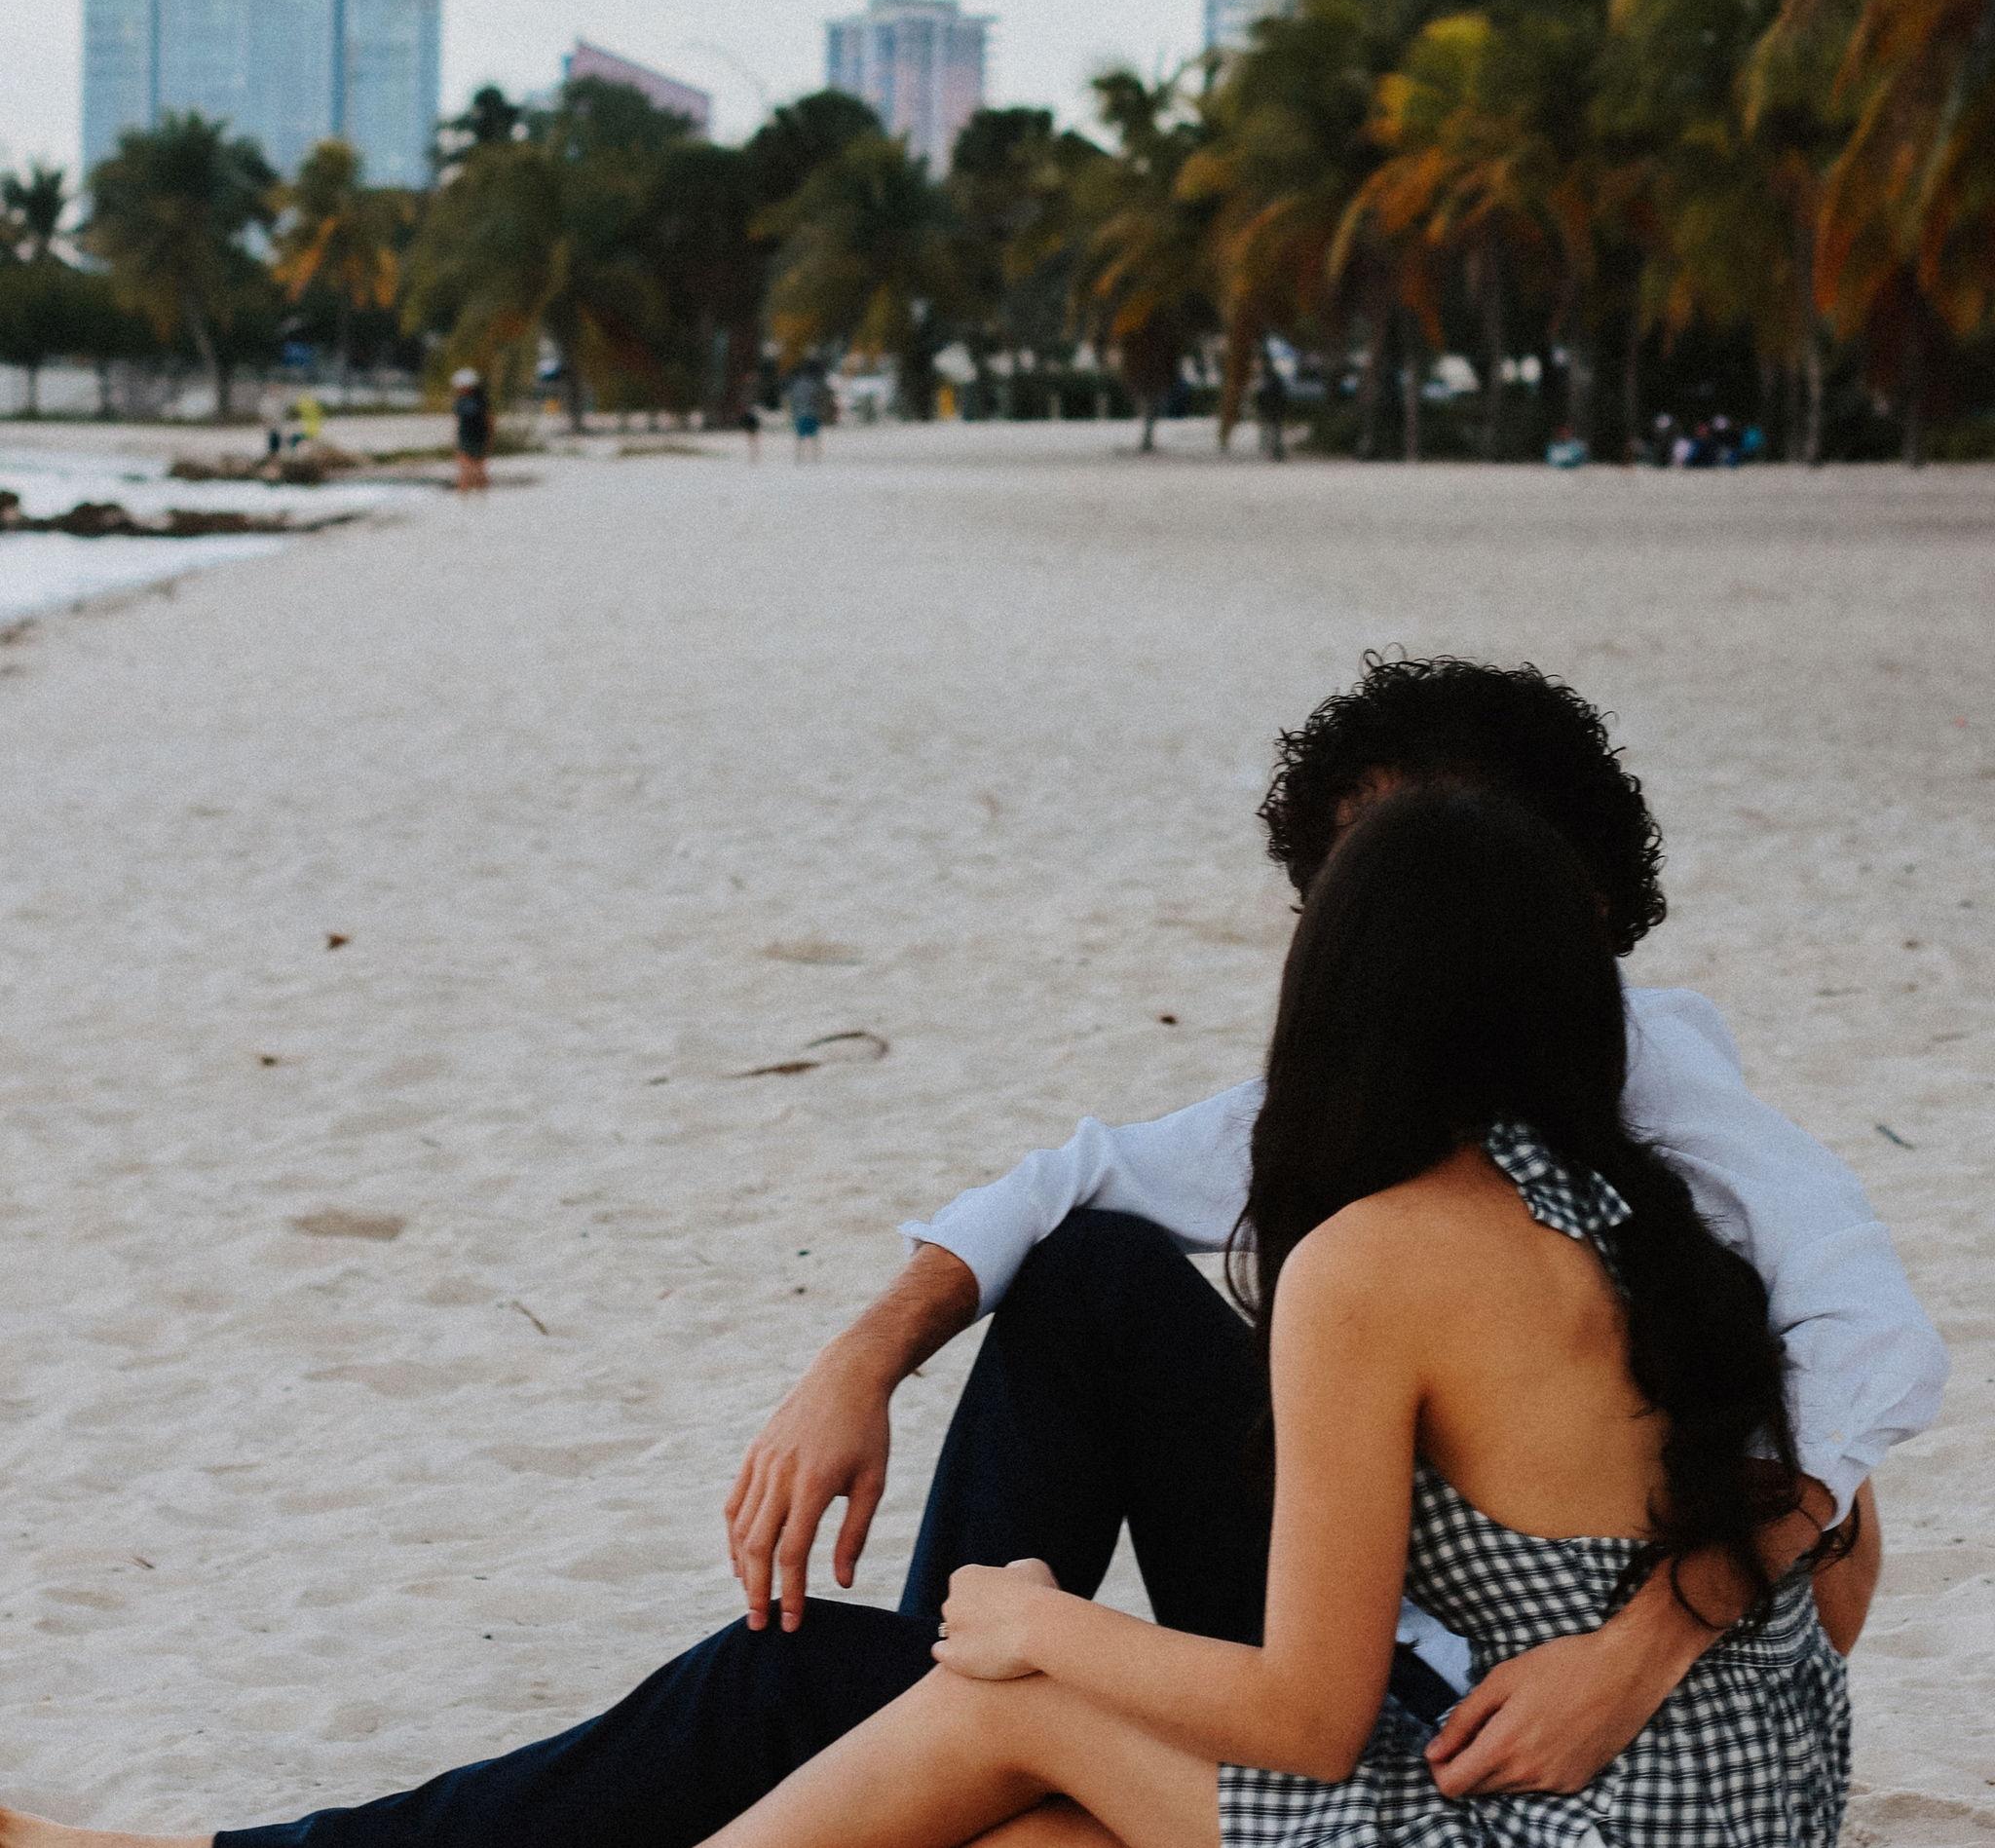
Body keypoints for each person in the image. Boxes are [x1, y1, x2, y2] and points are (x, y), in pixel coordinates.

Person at [4, 785, 1878, 1848]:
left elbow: (1309, 1726)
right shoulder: (1661, 1212)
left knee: (991, 1691)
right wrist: (1657, 1635)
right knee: (1022, 1799)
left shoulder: (1379, 1259)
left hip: (1525, 1819)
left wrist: (1031, 1618)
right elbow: (1841, 1539)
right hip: (1730, 1811)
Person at [451, 369, 492, 493]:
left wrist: (489, 438)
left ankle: (472, 493)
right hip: (469, 437)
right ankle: (470, 493)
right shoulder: (479, 400)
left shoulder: (476, 401)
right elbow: (458, 421)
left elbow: (489, 420)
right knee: (470, 468)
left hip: (476, 437)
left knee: (474, 468)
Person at [789, 367, 827, 462]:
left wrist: (793, 413)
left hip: (800, 413)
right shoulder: (813, 385)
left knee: (800, 437)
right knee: (814, 437)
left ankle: (799, 457)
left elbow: (793, 400)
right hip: (812, 413)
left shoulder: (796, 386)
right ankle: (815, 457)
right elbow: (818, 399)